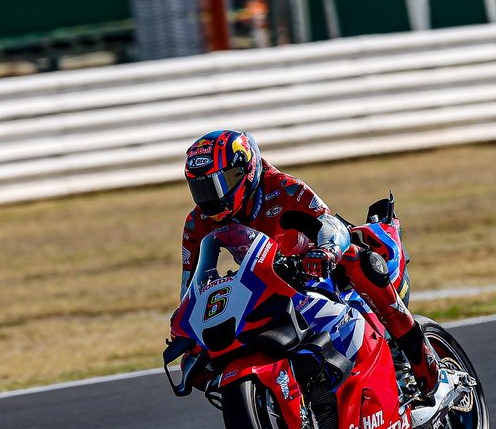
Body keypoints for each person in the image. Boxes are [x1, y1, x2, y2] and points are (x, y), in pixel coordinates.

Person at [179, 129, 439, 396]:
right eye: (201, 187)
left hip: (316, 267)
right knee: (198, 359)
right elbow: (190, 285)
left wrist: (326, 252)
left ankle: (419, 356)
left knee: (361, 261)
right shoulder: (196, 222)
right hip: (264, 282)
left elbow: (328, 223)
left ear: (245, 169)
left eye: (219, 183)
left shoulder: (283, 187)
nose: (211, 196)